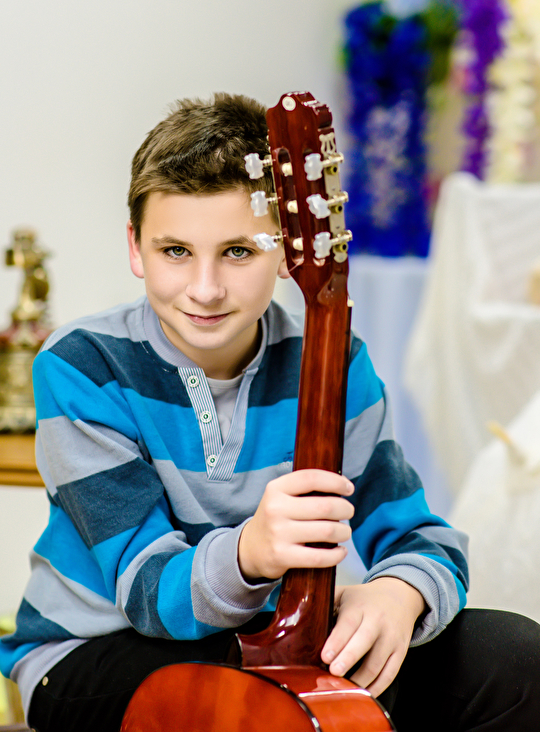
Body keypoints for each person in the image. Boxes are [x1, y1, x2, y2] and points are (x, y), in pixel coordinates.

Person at [1, 93, 539, 732]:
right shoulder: (82, 365)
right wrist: (251, 552)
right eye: (176, 251)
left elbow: (421, 537)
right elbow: (146, 592)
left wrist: (399, 593)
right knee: (267, 702)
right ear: (136, 247)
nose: (205, 288)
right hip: (98, 649)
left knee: (512, 657)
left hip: (272, 639)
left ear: (287, 250)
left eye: (238, 251)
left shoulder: (332, 359)